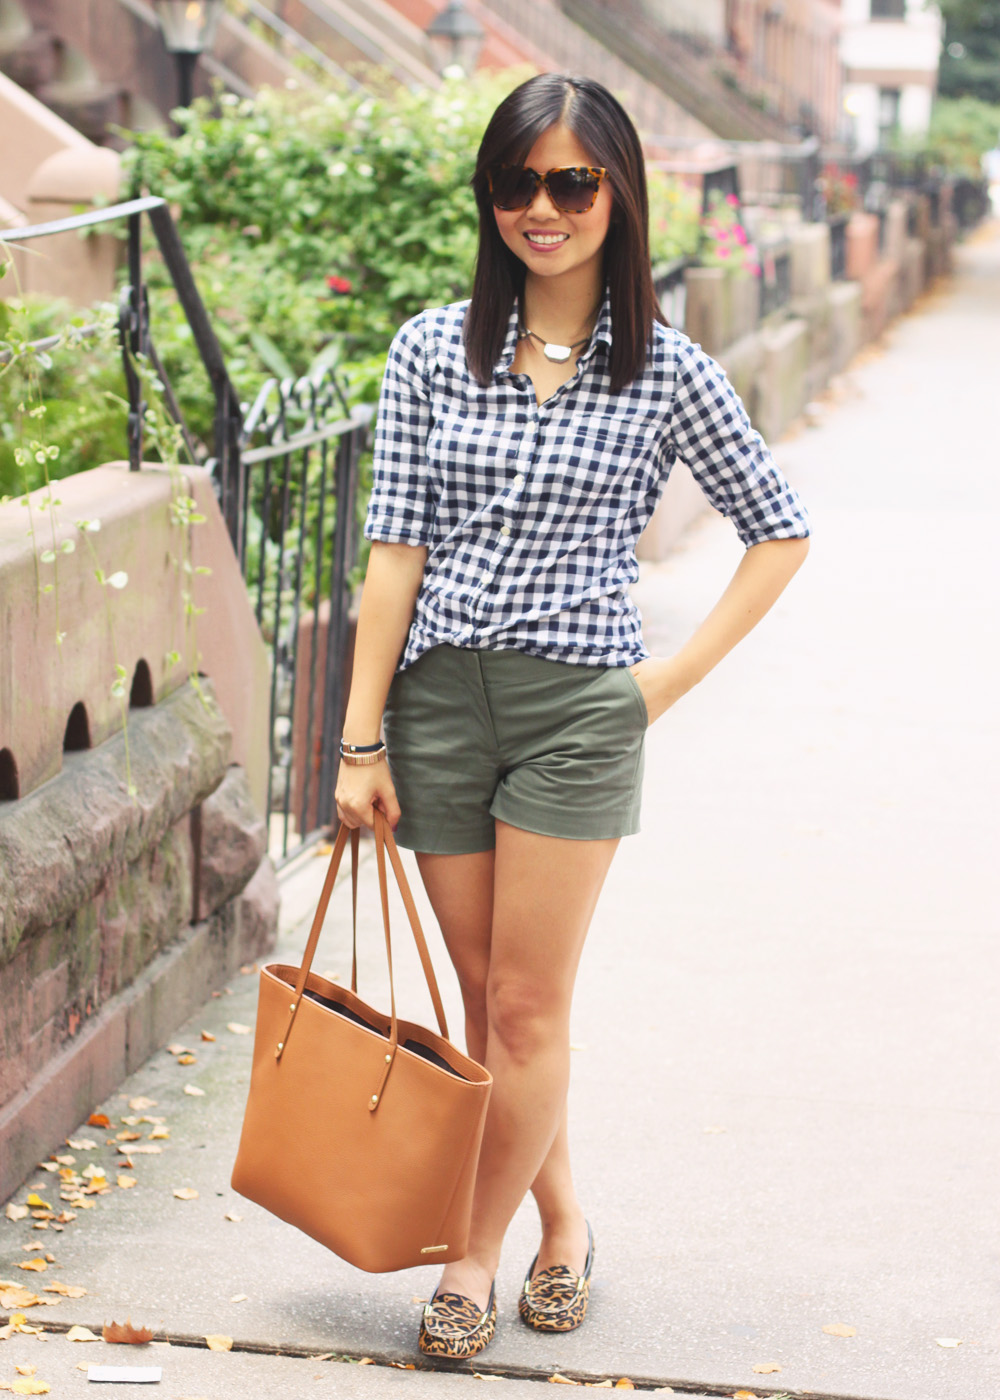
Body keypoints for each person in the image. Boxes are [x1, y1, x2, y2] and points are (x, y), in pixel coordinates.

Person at [335, 72, 810, 1360]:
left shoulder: (668, 371)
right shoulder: (434, 349)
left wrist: (660, 686)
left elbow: (779, 533)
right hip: (437, 707)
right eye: (516, 184)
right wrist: (360, 736)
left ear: (618, 192)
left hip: (576, 714)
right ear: (490, 198)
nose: (541, 209)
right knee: (489, 998)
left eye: (571, 183)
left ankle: (469, 1262)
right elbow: (395, 550)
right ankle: (565, 1222)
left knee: (531, 1006)